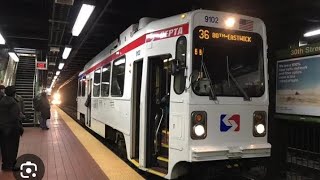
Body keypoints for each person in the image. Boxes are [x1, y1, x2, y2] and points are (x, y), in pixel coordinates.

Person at [0, 85, 23, 171]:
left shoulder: (2, 101)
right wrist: (22, 117)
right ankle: (11, 165)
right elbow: (15, 116)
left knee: (4, 148)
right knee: (12, 148)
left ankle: (5, 165)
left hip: (3, 129)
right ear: (14, 93)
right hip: (12, 129)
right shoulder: (13, 102)